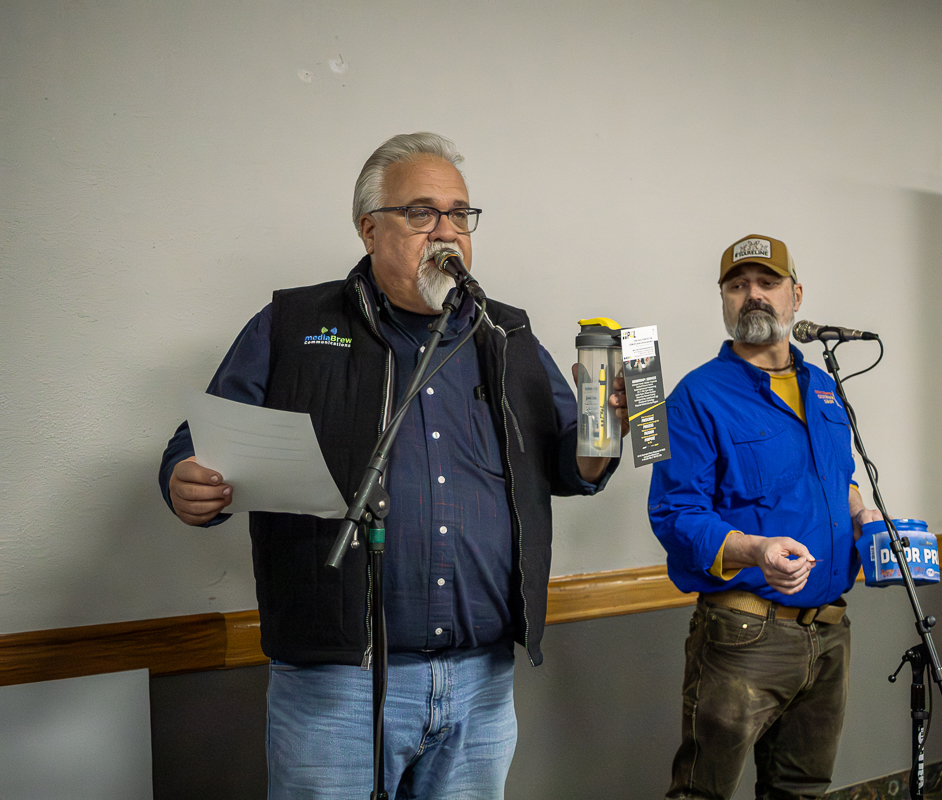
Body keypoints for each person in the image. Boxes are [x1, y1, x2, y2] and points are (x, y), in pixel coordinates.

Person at [158, 132, 627, 799]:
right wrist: (185, 477)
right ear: (369, 228)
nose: (447, 231)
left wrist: (603, 434)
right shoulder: (292, 323)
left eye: (460, 214)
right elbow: (202, 443)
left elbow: (569, 465)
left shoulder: (508, 335)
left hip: (480, 681)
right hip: (335, 685)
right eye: (422, 212)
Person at [647, 234, 882, 800]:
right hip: (744, 636)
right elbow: (675, 514)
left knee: (802, 791)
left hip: (830, 633)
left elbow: (838, 478)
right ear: (723, 300)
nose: (752, 294)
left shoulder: (824, 387)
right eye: (737, 285)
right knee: (702, 793)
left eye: (768, 282)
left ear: (795, 296)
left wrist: (862, 513)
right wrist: (755, 550)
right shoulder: (695, 397)